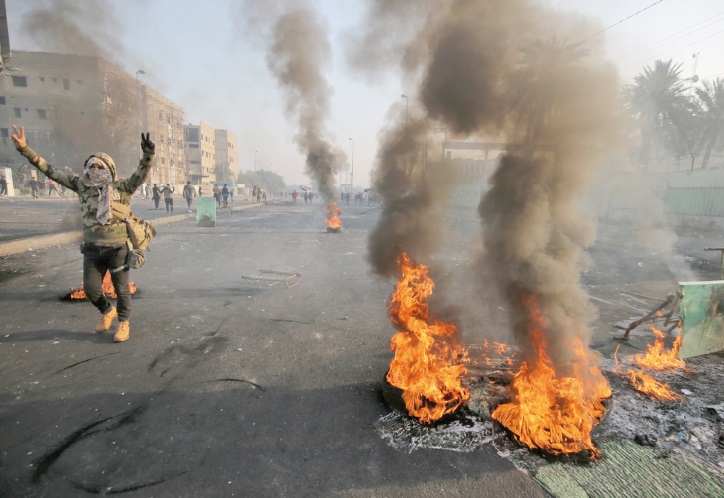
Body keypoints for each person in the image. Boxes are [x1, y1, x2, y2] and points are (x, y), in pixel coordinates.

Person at [10, 124, 155, 343]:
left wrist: (148, 155)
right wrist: (24, 148)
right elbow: (51, 171)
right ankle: (108, 311)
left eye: (100, 166)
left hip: (117, 249)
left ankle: (123, 322)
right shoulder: (81, 186)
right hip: (92, 250)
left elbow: (142, 174)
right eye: (91, 166)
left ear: (110, 169)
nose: (95, 170)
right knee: (90, 289)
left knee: (122, 289)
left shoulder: (123, 188)